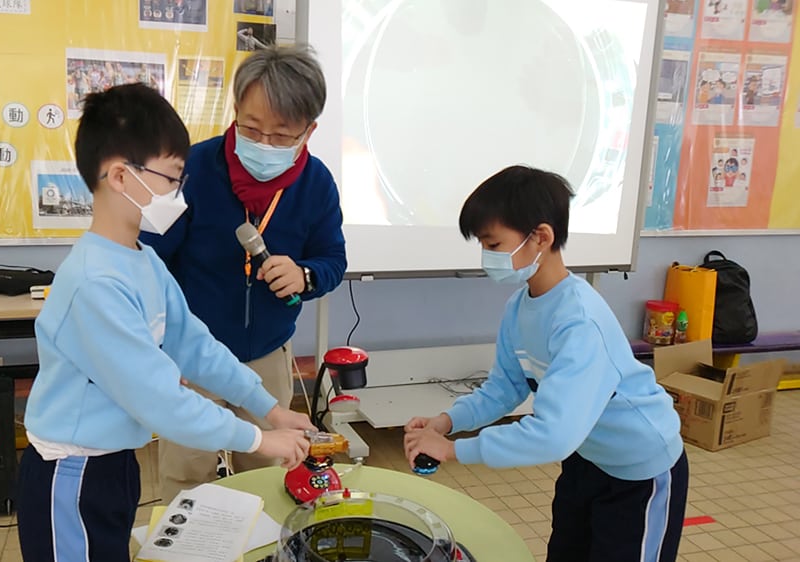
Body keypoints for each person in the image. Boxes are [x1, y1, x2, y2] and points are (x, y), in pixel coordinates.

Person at [17, 84, 314, 561]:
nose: (180, 192)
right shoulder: (95, 282)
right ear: (120, 176)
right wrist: (260, 439)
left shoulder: (142, 259)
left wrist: (270, 409)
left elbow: (196, 345)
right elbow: (162, 400)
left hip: (114, 460)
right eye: (172, 177)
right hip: (70, 473)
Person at [403, 166, 688, 562]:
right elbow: (504, 388)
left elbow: (553, 434)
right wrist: (446, 422)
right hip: (587, 458)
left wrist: (454, 451)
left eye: (494, 244)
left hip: (640, 469)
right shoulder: (520, 305)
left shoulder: (579, 320)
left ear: (541, 237)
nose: (488, 257)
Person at [141, 46, 346, 502]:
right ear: (235, 111)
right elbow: (148, 258)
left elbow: (333, 259)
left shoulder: (317, 184)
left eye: (281, 134)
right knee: (185, 470)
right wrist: (159, 345)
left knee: (269, 469)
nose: (264, 144)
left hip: (267, 355)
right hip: (191, 354)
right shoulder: (192, 168)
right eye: (251, 129)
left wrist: (306, 275)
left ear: (308, 130)